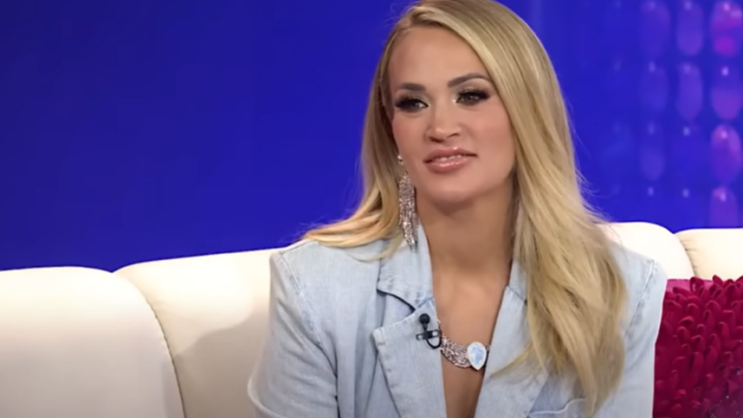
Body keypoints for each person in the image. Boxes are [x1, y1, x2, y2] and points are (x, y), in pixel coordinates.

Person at [248, 0, 666, 417]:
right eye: (413, 103)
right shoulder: (316, 289)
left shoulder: (620, 291)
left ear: (528, 112)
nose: (441, 128)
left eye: (470, 95)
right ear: (391, 130)